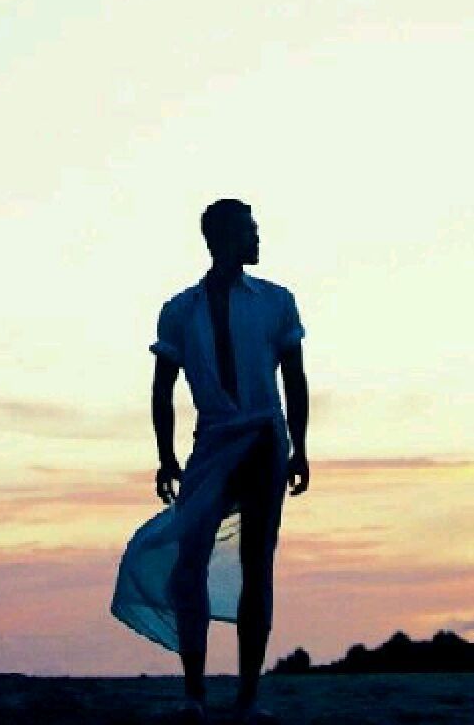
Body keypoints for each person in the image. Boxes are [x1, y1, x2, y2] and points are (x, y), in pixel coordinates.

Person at [110, 198, 310, 725]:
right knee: (189, 560)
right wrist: (165, 456)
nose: (257, 238)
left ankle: (248, 698)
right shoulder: (180, 310)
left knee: (257, 565)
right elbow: (163, 388)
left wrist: (300, 447)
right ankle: (194, 694)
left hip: (264, 438)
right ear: (220, 239)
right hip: (213, 440)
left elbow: (294, 379)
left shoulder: (277, 301)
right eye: (248, 230)